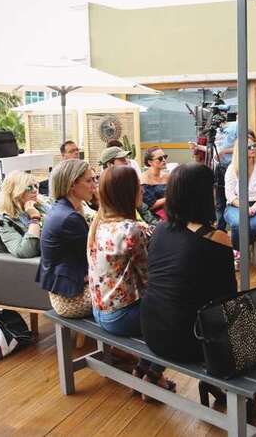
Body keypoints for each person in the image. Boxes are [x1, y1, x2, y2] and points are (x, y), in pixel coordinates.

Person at [141, 164, 256, 419]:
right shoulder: (216, 238)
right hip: (187, 343)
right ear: (205, 195)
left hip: (152, 331)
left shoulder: (159, 230)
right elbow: (227, 299)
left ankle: (159, 373)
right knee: (243, 317)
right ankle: (246, 397)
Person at [87, 165, 175, 397]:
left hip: (99, 310)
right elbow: (150, 278)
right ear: (128, 193)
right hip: (120, 317)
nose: (142, 190)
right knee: (176, 318)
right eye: (138, 187)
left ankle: (142, 371)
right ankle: (153, 377)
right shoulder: (131, 230)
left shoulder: (99, 223)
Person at [36, 159, 96, 318]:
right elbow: (94, 255)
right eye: (89, 181)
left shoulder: (60, 209)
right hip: (72, 300)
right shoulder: (70, 218)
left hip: (62, 293)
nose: (94, 185)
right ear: (72, 184)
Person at [223, 131, 256, 262]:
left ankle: (239, 249)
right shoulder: (231, 169)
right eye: (249, 147)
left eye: (254, 146)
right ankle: (239, 250)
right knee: (238, 223)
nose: (253, 149)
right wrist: (244, 207)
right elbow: (229, 195)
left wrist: (255, 207)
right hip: (236, 205)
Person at [188, 121, 237, 231]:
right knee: (220, 202)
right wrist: (198, 147)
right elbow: (214, 150)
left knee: (232, 198)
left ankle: (236, 229)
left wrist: (223, 152)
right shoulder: (216, 130)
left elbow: (243, 145)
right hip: (218, 168)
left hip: (232, 167)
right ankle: (220, 229)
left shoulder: (235, 126)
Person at [0, 171, 52, 258]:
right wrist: (34, 219)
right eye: (29, 187)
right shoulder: (5, 222)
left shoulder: (47, 204)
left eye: (36, 186)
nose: (35, 190)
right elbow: (25, 252)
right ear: (15, 192)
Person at [99, 146, 159, 227]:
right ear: (110, 165)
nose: (126, 162)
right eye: (122, 160)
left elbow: (146, 213)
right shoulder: (106, 192)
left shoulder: (129, 184)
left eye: (126, 159)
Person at [142, 147, 169, 221]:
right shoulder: (144, 180)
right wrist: (170, 197)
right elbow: (150, 206)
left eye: (165, 157)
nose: (164, 160)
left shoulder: (167, 176)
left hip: (169, 211)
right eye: (160, 158)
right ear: (150, 162)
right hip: (154, 217)